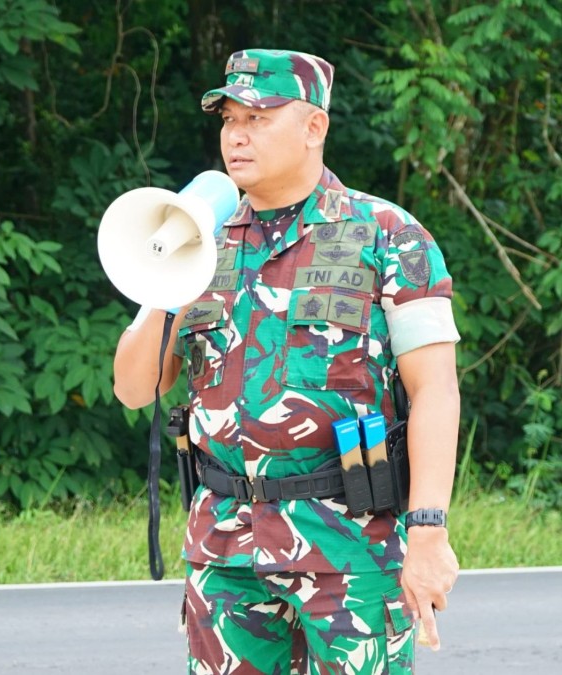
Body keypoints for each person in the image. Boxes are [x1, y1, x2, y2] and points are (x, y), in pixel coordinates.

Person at [112, 48, 461, 674]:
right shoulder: (198, 240)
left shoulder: (388, 234)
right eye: (228, 120)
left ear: (314, 127)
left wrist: (429, 531)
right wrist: (162, 282)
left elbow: (435, 390)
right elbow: (135, 388)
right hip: (225, 554)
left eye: (258, 118)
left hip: (350, 548)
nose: (236, 137)